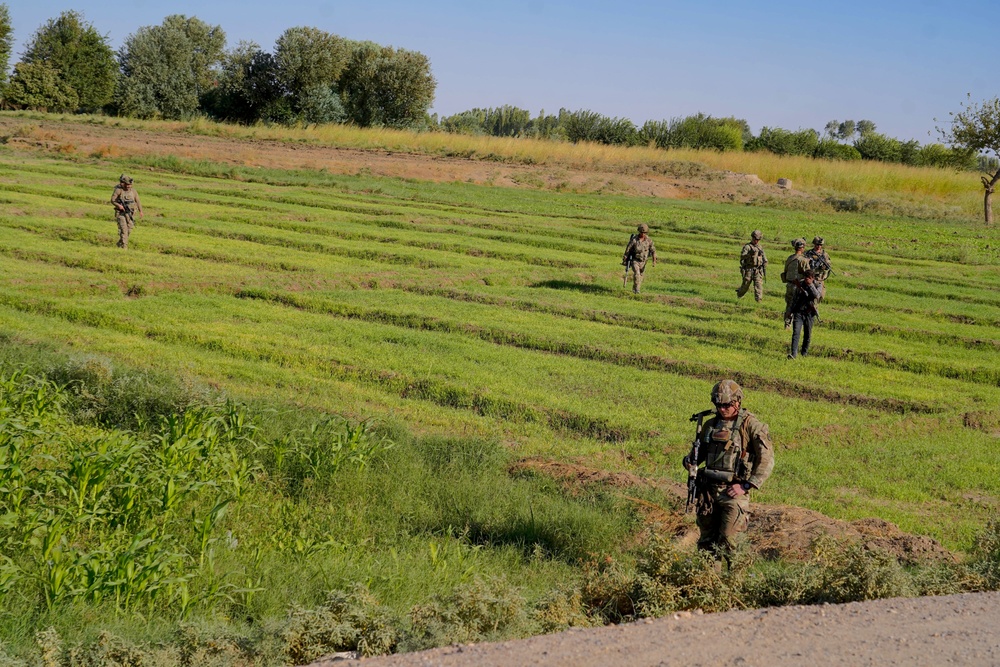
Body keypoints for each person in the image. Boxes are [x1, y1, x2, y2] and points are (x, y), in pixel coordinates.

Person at [684, 380, 774, 563]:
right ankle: (708, 584)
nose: (722, 409)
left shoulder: (750, 426)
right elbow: (699, 455)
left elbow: (767, 459)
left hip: (733, 493)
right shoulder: (710, 425)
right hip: (708, 493)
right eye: (718, 405)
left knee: (729, 542)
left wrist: (747, 485)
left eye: (726, 405)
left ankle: (734, 584)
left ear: (737, 402)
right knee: (707, 545)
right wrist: (688, 461)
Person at [788, 270, 821, 359]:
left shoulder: (817, 285)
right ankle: (793, 354)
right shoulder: (800, 284)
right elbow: (794, 298)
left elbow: (817, 295)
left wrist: (810, 285)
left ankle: (804, 353)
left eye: (809, 278)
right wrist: (789, 311)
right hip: (799, 312)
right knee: (796, 332)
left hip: (809, 313)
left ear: (812, 278)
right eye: (806, 277)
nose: (807, 279)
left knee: (807, 334)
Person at [780, 238, 809, 328]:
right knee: (798, 306)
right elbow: (808, 273)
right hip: (798, 286)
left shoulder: (790, 258)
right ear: (802, 248)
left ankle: (787, 324)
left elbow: (785, 271)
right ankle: (797, 325)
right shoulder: (803, 260)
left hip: (789, 285)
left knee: (789, 305)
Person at [110, 174, 143, 249]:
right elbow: (112, 200)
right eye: (127, 184)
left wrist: (141, 211)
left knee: (129, 230)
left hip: (131, 214)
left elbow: (138, 201)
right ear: (124, 184)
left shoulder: (133, 191)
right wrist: (119, 206)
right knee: (124, 230)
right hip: (121, 213)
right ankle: (124, 247)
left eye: (130, 185)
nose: (129, 186)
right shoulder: (119, 190)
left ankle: (120, 243)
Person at [621, 223, 656, 294]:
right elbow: (628, 249)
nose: (643, 234)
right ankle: (637, 290)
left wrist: (654, 261)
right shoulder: (634, 240)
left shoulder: (649, 240)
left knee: (640, 276)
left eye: (644, 232)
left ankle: (635, 288)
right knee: (637, 273)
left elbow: (653, 251)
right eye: (641, 232)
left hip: (643, 261)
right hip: (635, 260)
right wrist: (625, 258)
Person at [736, 229, 767, 302]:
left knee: (758, 286)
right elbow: (742, 257)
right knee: (745, 285)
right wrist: (749, 254)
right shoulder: (747, 247)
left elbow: (764, 258)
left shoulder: (760, 248)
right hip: (749, 270)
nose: (756, 241)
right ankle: (739, 295)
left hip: (757, 270)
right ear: (752, 238)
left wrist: (765, 263)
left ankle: (758, 301)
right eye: (755, 239)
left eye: (758, 239)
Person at [804, 236, 832, 301]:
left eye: (820, 245)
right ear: (814, 244)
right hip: (810, 278)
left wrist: (824, 266)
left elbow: (828, 265)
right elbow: (804, 264)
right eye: (817, 244)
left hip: (819, 279)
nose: (819, 246)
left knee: (819, 296)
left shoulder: (824, 254)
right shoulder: (808, 253)